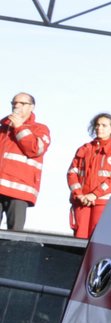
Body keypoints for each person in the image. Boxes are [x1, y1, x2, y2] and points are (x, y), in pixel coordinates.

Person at [67, 112, 111, 239]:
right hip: (82, 202)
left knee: (98, 237)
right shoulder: (84, 149)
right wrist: (79, 194)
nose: (99, 128)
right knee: (80, 237)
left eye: (104, 125)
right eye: (97, 125)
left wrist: (94, 194)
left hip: (103, 203)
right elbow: (72, 173)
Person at [0, 93, 51, 231]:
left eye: (22, 103)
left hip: (19, 189)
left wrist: (20, 127)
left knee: (14, 236)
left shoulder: (40, 129)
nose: (16, 106)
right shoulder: (2, 128)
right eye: (14, 103)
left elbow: (35, 149)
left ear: (32, 107)